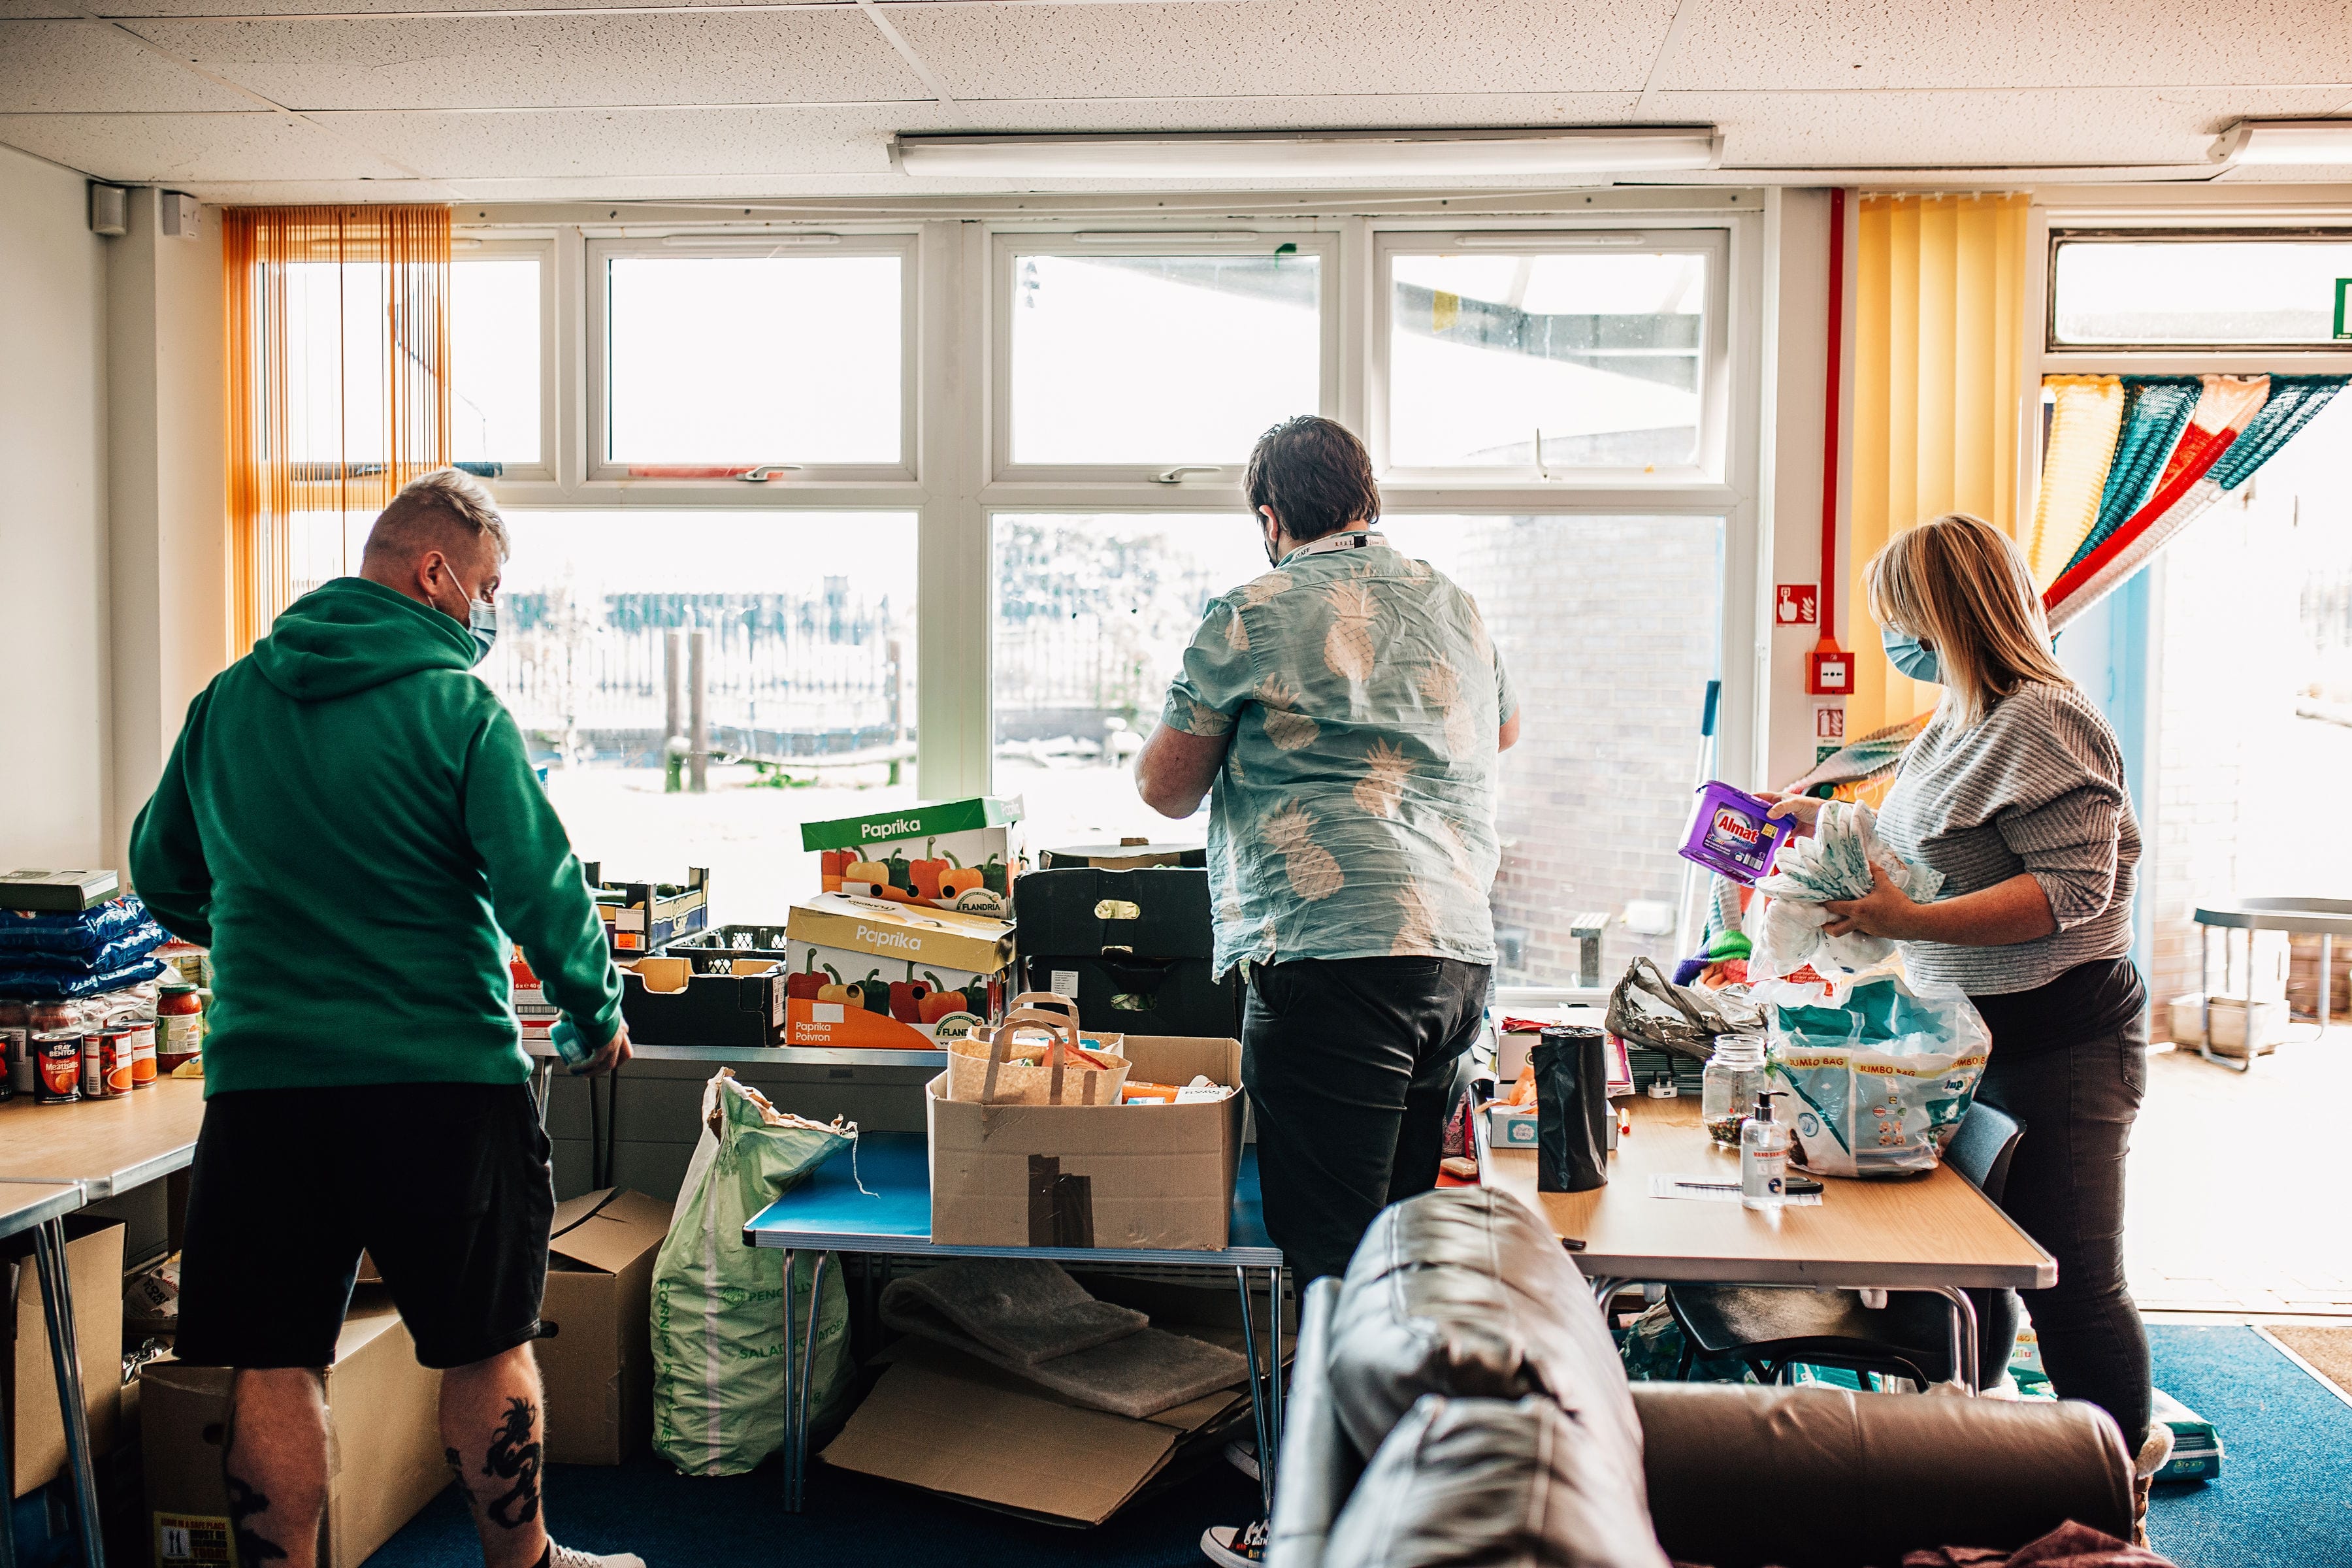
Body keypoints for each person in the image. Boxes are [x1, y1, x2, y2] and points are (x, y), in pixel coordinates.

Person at [129, 469, 637, 1568]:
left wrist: (266, 933)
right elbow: (540, 886)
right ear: (433, 571)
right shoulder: (457, 709)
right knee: (487, 1343)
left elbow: (158, 871)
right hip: (442, 1083)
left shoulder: (228, 701)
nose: (488, 613)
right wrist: (596, 1012)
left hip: (267, 1092)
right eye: (488, 588)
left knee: (275, 1361)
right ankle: (526, 1565)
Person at [1766, 513, 2168, 1514]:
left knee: (2071, 1279)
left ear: (1944, 613)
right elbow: (1919, 834)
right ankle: (1989, 1464)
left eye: (1899, 617)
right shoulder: (1956, 719)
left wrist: (1913, 918)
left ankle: (2113, 1499)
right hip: (1975, 1038)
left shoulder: (2043, 718)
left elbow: (2067, 891)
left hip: (2062, 1038)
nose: (1890, 637)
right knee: (1973, 1263)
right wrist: (1813, 816)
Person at [1136, 415, 1520, 1289]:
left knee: (1334, 1266)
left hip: (1334, 956)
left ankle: (1326, 1430)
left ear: (1270, 518)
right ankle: (1397, 1426)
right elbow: (1501, 728)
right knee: (1401, 1254)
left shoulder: (1253, 611)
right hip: (1454, 956)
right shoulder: (1452, 602)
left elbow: (1166, 790)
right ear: (1366, 498)